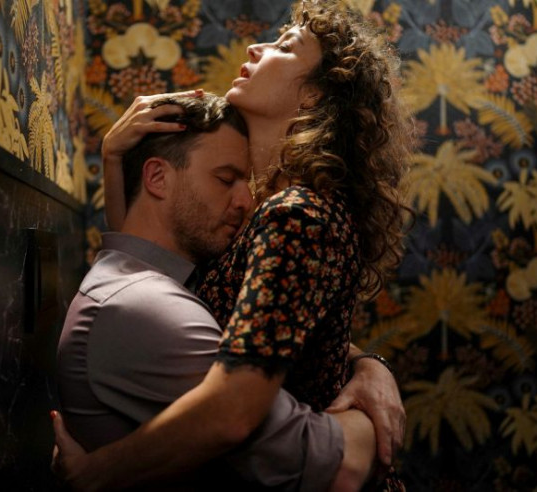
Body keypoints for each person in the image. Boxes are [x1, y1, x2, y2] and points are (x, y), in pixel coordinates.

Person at [54, 0, 414, 489]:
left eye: (284, 47)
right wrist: (115, 159)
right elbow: (158, 258)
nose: (254, 48)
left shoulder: (297, 214)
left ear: (313, 94)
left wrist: (94, 473)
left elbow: (235, 409)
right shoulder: (256, 211)